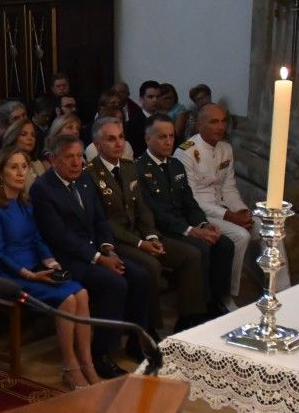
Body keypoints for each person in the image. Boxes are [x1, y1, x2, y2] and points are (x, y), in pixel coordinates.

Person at [0, 149, 100, 390]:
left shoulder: (24, 203)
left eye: (24, 166)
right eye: (13, 167)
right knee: (66, 299)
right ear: (0, 173)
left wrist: (51, 262)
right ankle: (69, 366)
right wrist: (28, 274)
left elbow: (37, 239)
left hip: (34, 268)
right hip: (6, 274)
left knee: (81, 294)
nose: (21, 172)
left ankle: (87, 362)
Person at [30, 135, 150, 378]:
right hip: (68, 259)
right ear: (53, 160)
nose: (76, 163)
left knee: (141, 276)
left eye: (79, 156)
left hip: (95, 251)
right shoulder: (42, 189)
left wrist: (106, 246)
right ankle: (100, 354)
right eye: (69, 158)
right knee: (113, 283)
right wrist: (98, 258)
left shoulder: (84, 179)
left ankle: (136, 342)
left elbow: (100, 218)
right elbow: (60, 237)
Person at [85, 117, 208, 332]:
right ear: (97, 145)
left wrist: (151, 236)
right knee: (151, 265)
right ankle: (147, 330)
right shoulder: (90, 174)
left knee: (191, 254)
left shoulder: (128, 167)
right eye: (111, 139)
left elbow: (142, 208)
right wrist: (141, 243)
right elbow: (105, 221)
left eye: (121, 137)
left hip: (141, 234)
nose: (118, 143)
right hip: (116, 240)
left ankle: (190, 319)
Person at [176, 103, 290, 307]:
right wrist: (230, 216)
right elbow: (193, 199)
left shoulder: (225, 148)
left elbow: (229, 188)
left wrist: (242, 211)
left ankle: (281, 289)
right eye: (214, 122)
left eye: (223, 121)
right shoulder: (186, 152)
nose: (220, 127)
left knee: (270, 226)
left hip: (225, 209)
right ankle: (228, 295)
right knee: (241, 235)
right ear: (199, 124)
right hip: (201, 214)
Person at [136, 114, 235, 315]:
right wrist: (191, 231)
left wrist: (203, 224)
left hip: (183, 225)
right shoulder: (139, 169)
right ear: (148, 139)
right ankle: (198, 310)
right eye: (162, 137)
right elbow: (155, 213)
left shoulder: (175, 165)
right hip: (161, 230)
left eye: (171, 136)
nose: (168, 141)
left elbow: (190, 202)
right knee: (201, 248)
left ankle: (217, 300)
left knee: (225, 244)